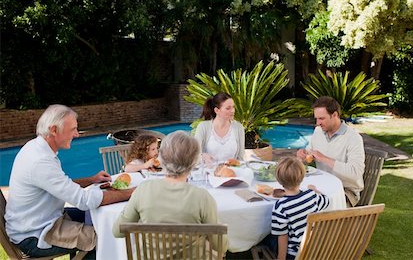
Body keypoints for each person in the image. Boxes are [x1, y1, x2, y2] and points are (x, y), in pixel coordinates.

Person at [5, 104, 134, 259]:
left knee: (95, 217)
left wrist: (91, 180)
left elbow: (60, 186)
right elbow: (84, 200)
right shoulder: (40, 161)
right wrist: (131, 193)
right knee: (105, 239)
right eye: (73, 129)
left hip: (41, 221)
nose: (77, 134)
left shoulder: (37, 148)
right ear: (54, 130)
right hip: (35, 235)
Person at [113, 130, 227, 258]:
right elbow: (221, 246)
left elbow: (118, 231)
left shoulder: (143, 190)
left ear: (162, 158)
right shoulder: (202, 197)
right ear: (194, 162)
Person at [296, 96, 365, 207]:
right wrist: (303, 154)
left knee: (304, 206)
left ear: (335, 115)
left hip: (344, 192)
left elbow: (355, 173)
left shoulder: (353, 138)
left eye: (321, 118)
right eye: (316, 118)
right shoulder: (318, 131)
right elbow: (310, 152)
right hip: (322, 185)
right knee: (292, 199)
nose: (318, 123)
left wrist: (324, 158)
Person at [266, 157, 329, 260]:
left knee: (268, 237)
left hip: (294, 254)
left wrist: (281, 257)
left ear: (278, 180)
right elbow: (326, 201)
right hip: (314, 249)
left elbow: (282, 236)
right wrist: (315, 190)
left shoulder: (280, 206)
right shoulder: (312, 195)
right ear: (302, 177)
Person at [194, 92, 245, 165]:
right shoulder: (203, 127)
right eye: (228, 108)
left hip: (231, 173)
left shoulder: (238, 128)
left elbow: (240, 159)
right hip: (208, 173)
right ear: (217, 110)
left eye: (233, 107)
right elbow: (194, 155)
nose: (233, 110)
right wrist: (203, 156)